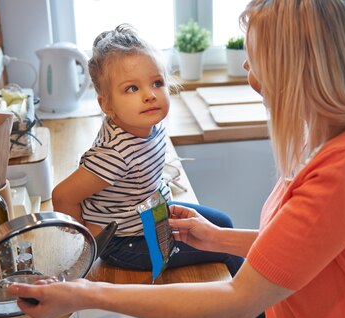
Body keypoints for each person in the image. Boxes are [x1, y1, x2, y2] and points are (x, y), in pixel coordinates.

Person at [9, 1, 345, 318]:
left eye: (258, 59)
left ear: (298, 67)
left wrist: (86, 293)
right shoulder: (333, 135)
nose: (248, 70)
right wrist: (219, 237)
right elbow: (315, 249)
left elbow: (238, 299)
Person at [51, 24, 243, 277]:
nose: (149, 95)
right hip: (125, 241)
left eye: (156, 83)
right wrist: (85, 241)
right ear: (106, 104)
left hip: (151, 218)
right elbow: (62, 195)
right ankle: (259, 317)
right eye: (132, 88)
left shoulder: (150, 123)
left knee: (225, 226)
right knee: (229, 248)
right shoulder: (114, 153)